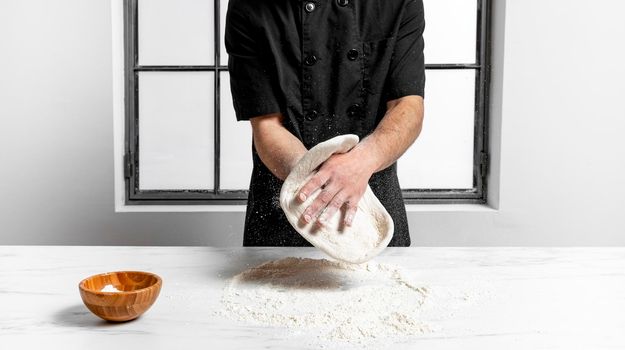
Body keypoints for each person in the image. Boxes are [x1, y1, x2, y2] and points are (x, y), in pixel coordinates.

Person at [225, 0, 425, 247]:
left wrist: (361, 162)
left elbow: (408, 106)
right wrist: (316, 180)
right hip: (289, 201)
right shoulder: (250, 6)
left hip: (372, 202)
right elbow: (267, 125)